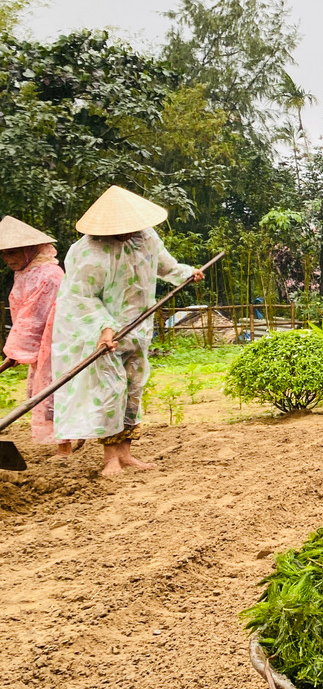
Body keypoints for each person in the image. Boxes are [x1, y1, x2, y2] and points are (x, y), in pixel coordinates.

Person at [52, 186, 204, 475]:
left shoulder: (146, 237)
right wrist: (104, 327)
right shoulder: (89, 251)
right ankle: (110, 457)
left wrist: (187, 272)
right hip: (103, 333)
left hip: (138, 327)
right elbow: (81, 296)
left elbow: (165, 266)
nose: (126, 233)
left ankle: (125, 453)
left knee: (133, 389)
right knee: (110, 390)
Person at [0, 217, 78, 457]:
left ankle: (65, 448)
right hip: (40, 345)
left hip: (58, 343)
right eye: (4, 254)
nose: (8, 259)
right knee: (44, 391)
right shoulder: (25, 273)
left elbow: (35, 316)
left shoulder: (48, 274)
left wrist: (16, 351)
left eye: (13, 252)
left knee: (54, 390)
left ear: (30, 249)